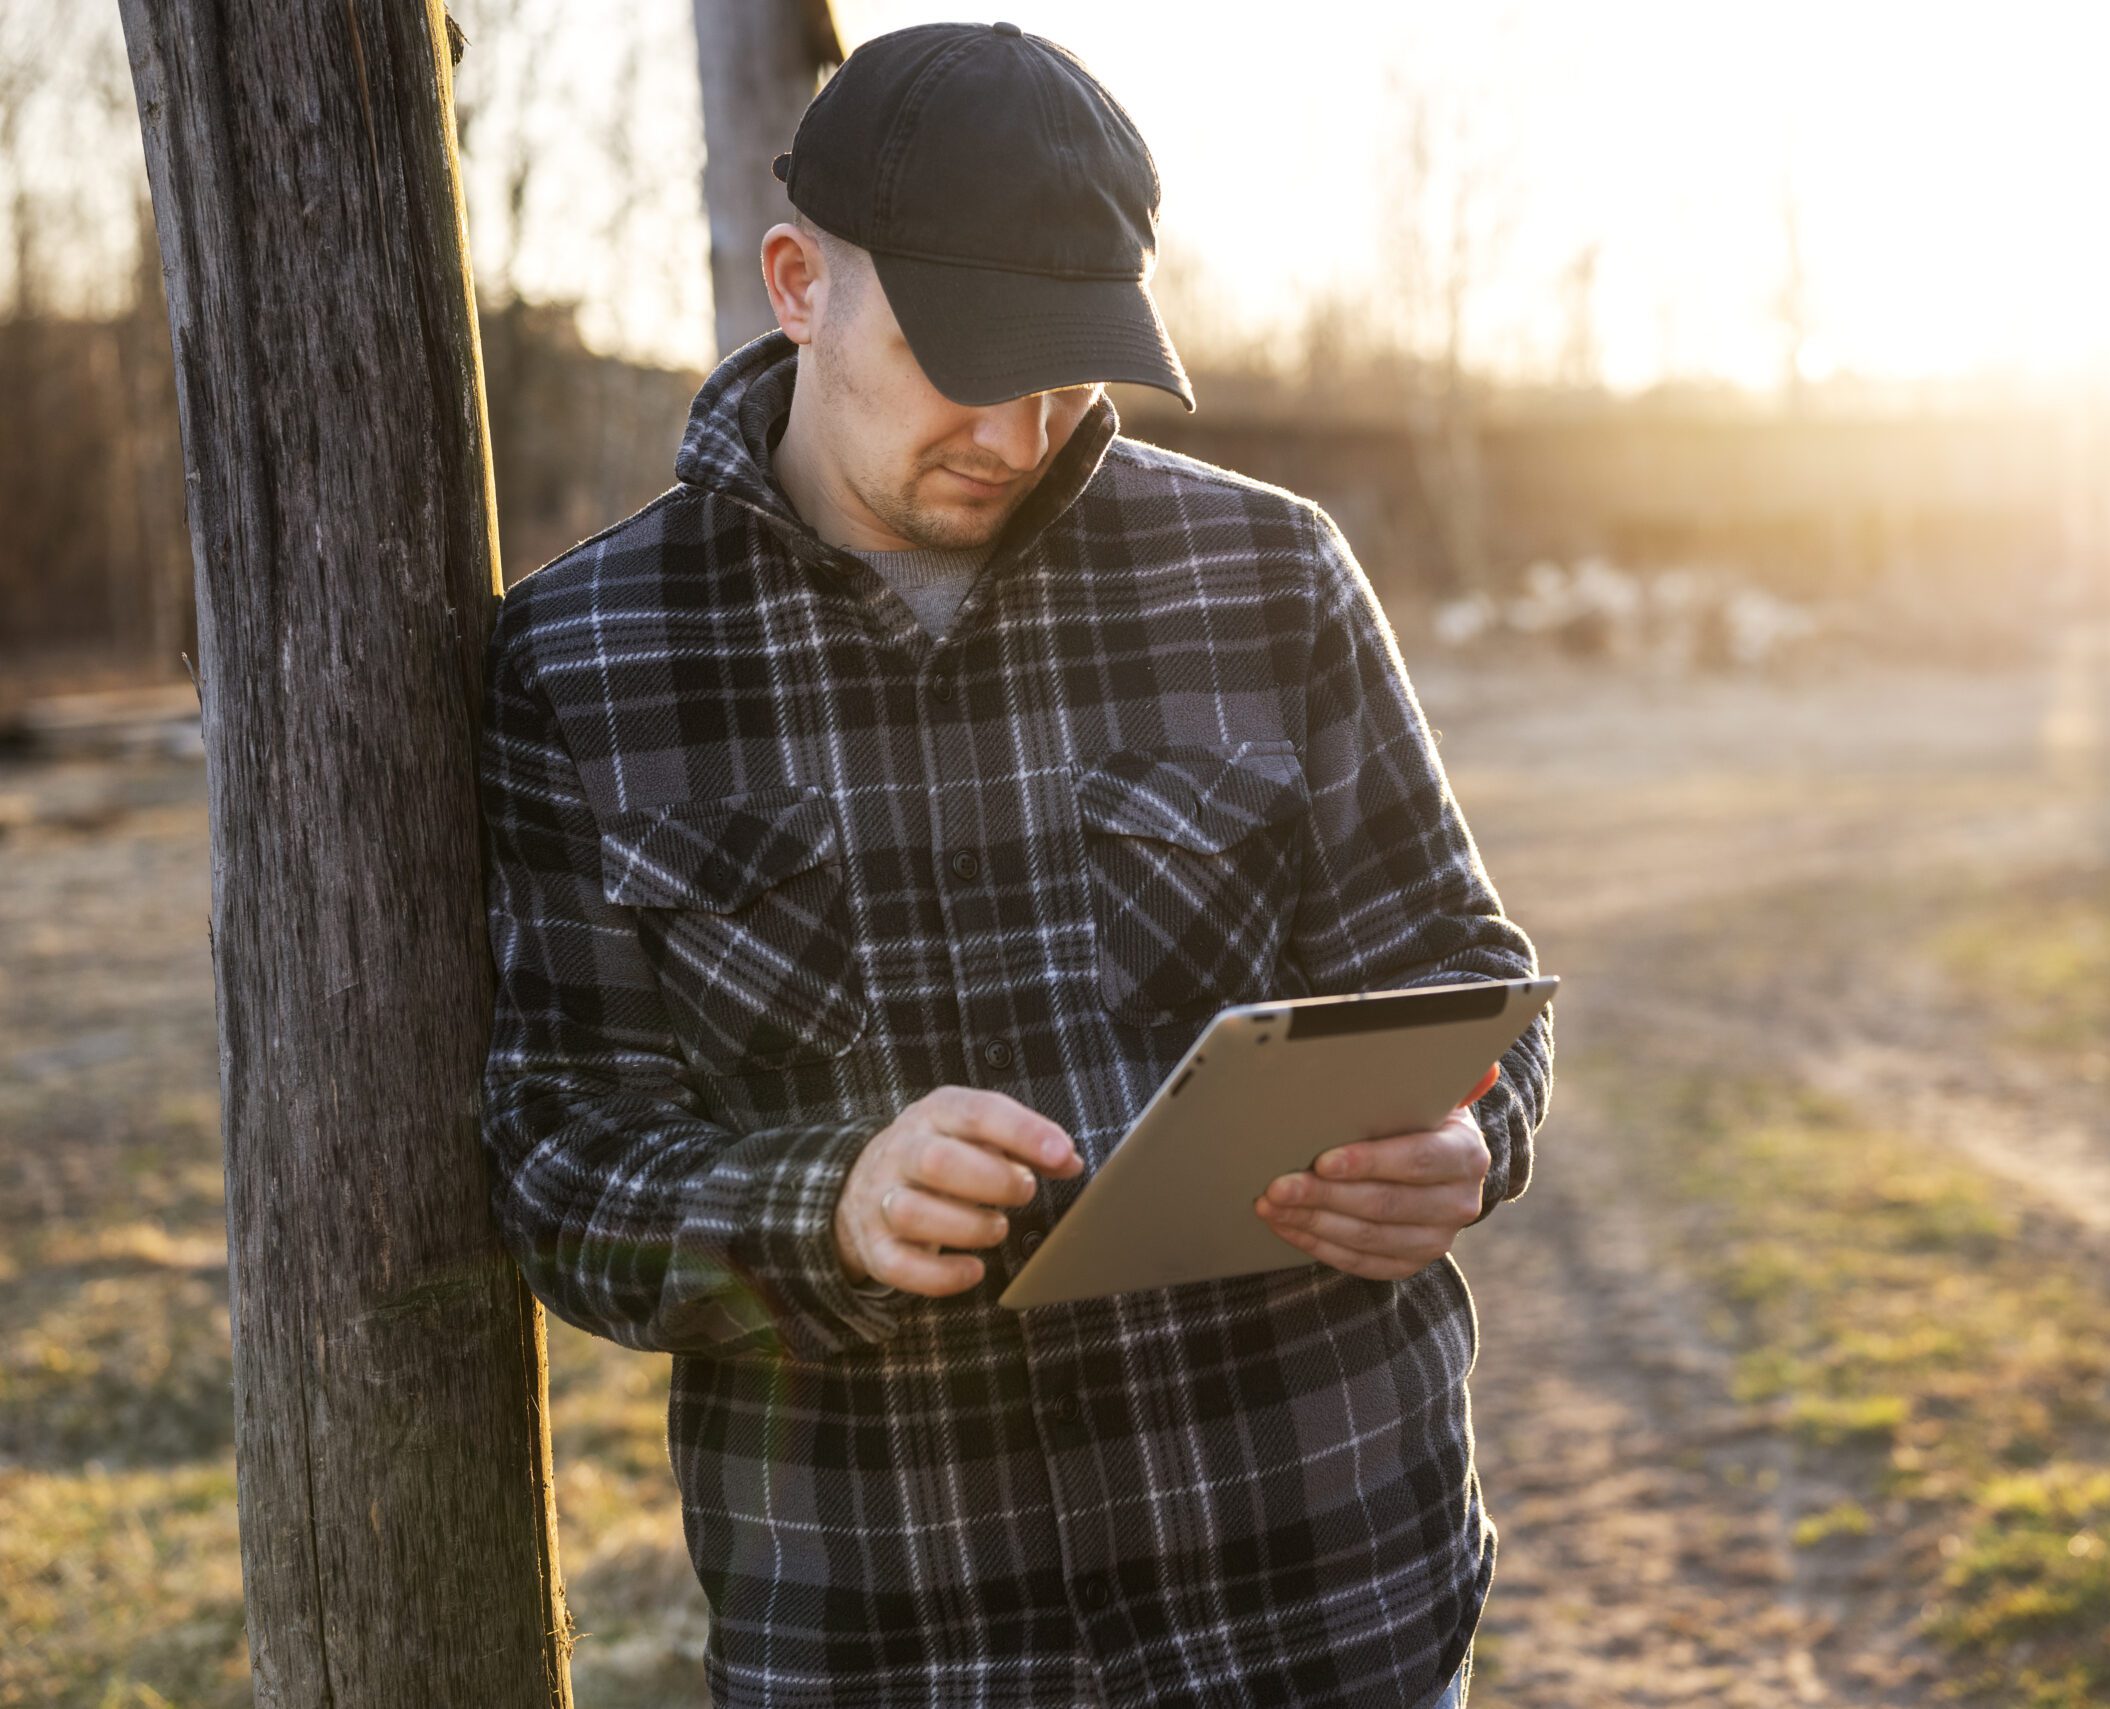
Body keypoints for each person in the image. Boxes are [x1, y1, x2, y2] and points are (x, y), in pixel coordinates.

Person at [475, 21, 1551, 1708]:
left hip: (1327, 1601)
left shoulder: (1270, 574)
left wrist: (1470, 1134)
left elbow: (1460, 969)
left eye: (1070, 369)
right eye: (964, 355)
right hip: (899, 1639)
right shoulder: (579, 660)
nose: (1020, 426)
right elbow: (558, 1162)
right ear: (795, 284)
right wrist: (822, 1204)